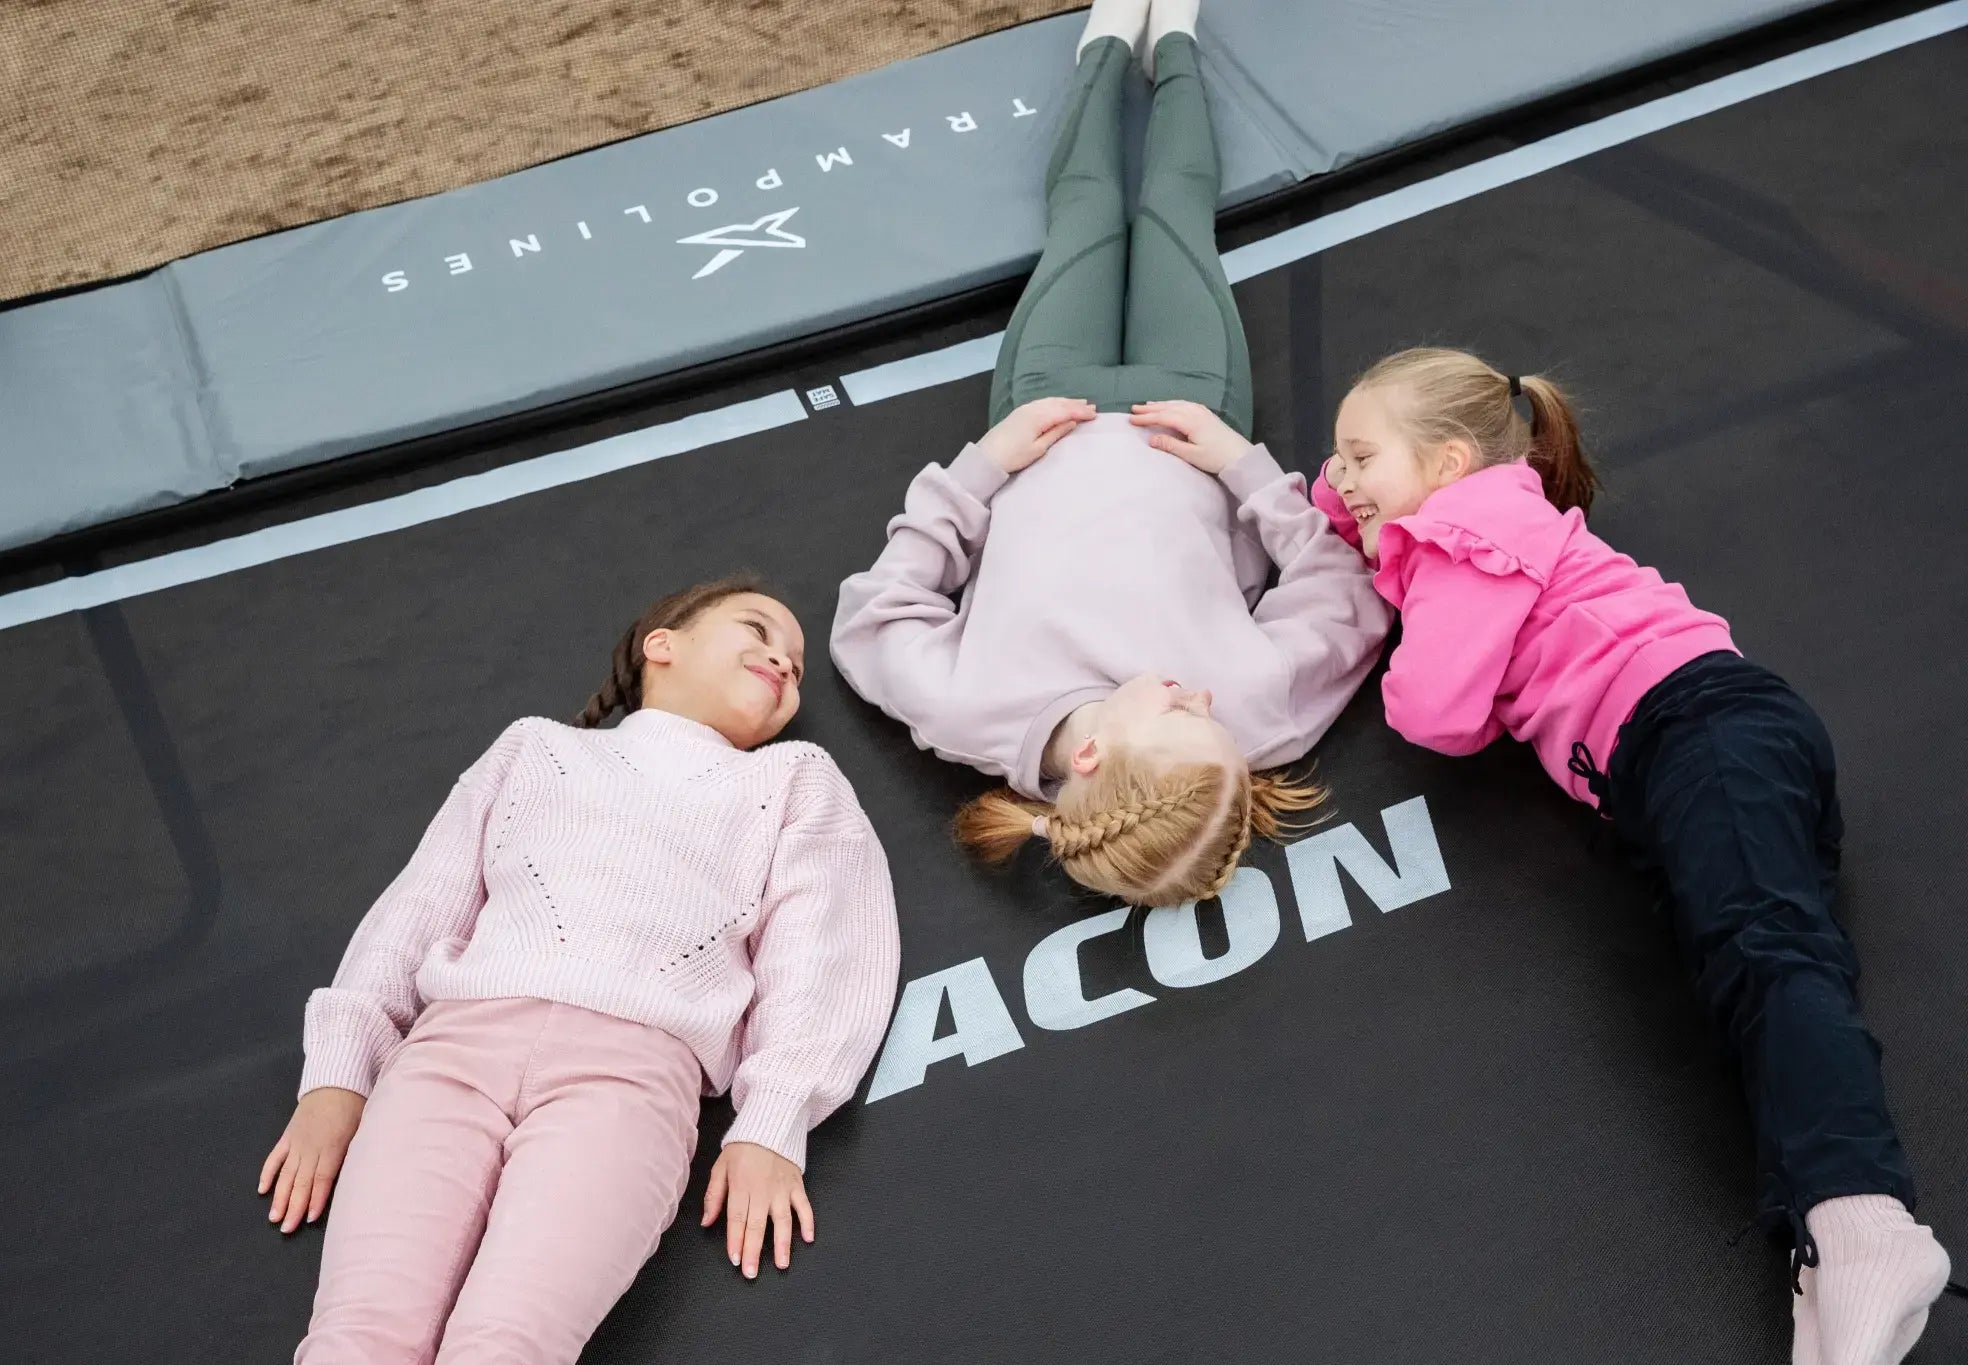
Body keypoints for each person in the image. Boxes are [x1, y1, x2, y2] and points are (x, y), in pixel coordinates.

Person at [1316, 346, 1954, 1365]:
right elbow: (1341, 509)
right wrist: (1351, 494)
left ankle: (1862, 1219)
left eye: (1357, 454)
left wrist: (1387, 547)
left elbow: (1431, 710)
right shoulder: (1471, 512)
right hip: (1682, 759)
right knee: (1748, 978)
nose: (1337, 478)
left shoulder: (1465, 529)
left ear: (1441, 463)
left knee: (1768, 955)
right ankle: (1817, 1252)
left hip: (1696, 729)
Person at [257, 577, 900, 1364]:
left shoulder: (793, 779)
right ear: (661, 644)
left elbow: (825, 946)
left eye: (797, 667)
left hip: (627, 1084)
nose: (783, 662)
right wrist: (338, 1074)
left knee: (508, 1345)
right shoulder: (537, 746)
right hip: (450, 1054)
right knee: (356, 1338)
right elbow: (420, 905)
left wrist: (774, 1119)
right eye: (758, 628)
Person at [832, 0, 1388, 908]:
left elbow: (872, 619)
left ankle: (1102, 44)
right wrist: (1242, 467)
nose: (1202, 702)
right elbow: (1349, 594)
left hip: (1043, 407)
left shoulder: (970, 710)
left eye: (1181, 712)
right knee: (1174, 206)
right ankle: (1173, 40)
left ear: (1087, 755)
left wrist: (982, 467)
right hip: (1194, 403)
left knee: (1085, 212)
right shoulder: (1250, 718)